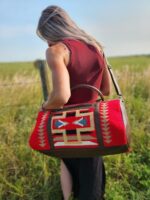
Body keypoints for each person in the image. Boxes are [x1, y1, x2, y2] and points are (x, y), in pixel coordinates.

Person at [36, 5, 110, 200]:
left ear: (49, 31)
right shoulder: (96, 46)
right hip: (93, 127)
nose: (48, 42)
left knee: (67, 165)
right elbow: (105, 90)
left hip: (68, 127)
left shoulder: (56, 51)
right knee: (92, 186)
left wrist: (45, 106)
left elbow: (61, 96)